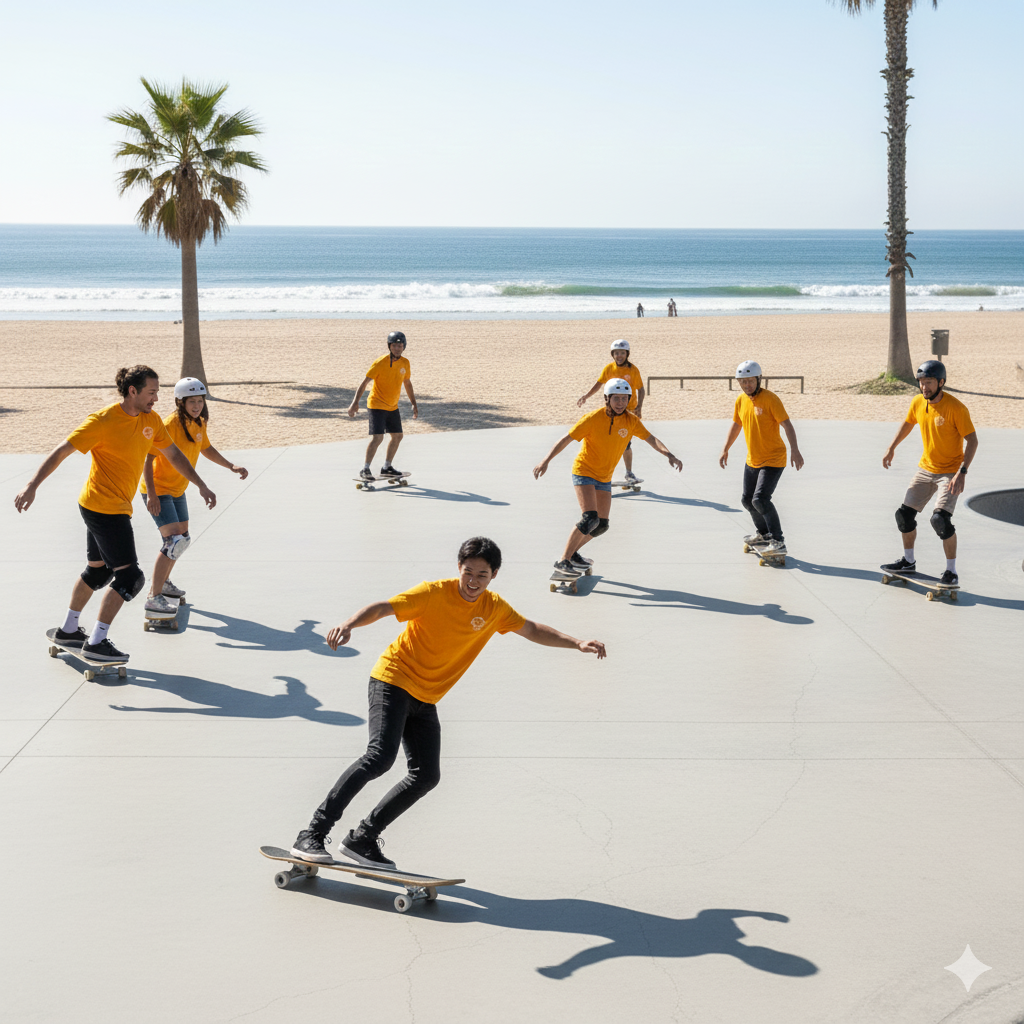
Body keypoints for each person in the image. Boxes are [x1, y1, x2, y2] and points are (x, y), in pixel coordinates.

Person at [290, 536, 606, 867]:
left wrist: (577, 642)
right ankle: (311, 833)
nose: (472, 582)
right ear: (459, 568)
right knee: (379, 758)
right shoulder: (433, 592)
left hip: (425, 697)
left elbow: (531, 629)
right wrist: (349, 623)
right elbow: (386, 606)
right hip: (393, 679)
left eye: (481, 575)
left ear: (494, 575)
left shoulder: (494, 608)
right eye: (467, 572)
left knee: (426, 775)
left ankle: (363, 838)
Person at [13, 366, 216, 663]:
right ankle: (96, 642)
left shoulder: (151, 420)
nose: (157, 398)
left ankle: (69, 629)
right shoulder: (103, 421)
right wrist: (32, 486)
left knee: (99, 570)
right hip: (104, 509)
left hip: (103, 505)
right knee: (130, 578)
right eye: (151, 392)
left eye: (158, 392)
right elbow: (62, 451)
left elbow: (173, 455)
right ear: (132, 391)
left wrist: (201, 485)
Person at [534, 379, 682, 578]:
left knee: (601, 525)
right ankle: (564, 560)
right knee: (589, 518)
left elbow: (651, 438)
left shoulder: (631, 421)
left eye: (624, 399)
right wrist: (546, 460)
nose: (620, 403)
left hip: (604, 477)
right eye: (616, 398)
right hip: (584, 471)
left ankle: (574, 553)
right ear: (607, 398)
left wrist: (669, 454)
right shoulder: (593, 418)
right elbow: (566, 438)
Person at [139, 378, 248, 617]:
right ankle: (153, 598)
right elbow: (147, 458)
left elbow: (205, 448)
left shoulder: (198, 423)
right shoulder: (169, 425)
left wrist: (231, 466)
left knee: (182, 540)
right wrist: (152, 495)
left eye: (200, 401)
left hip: (177, 489)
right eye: (192, 402)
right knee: (173, 542)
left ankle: (163, 583)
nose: (197, 405)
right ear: (180, 402)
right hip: (157, 489)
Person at [881, 359, 978, 586]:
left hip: (950, 472)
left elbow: (972, 441)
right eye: (922, 383)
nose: (925, 387)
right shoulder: (918, 402)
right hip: (926, 468)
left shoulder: (956, 408)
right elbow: (908, 423)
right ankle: (908, 561)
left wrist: (962, 472)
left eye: (930, 382)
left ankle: (951, 572)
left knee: (940, 520)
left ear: (941, 382)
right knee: (904, 516)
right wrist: (891, 448)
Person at [718, 360, 804, 558]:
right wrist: (725, 448)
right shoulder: (741, 400)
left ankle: (778, 541)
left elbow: (787, 425)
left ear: (758, 379)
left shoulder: (771, 399)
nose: (747, 385)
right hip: (752, 459)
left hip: (773, 459)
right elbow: (736, 425)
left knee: (761, 499)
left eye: (750, 381)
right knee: (747, 500)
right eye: (743, 382)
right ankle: (764, 535)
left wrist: (795, 450)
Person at [348, 331, 418, 481]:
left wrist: (414, 403)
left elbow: (407, 383)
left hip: (392, 406)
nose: (397, 348)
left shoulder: (405, 363)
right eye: (394, 345)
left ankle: (387, 467)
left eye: (400, 345)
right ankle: (365, 469)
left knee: (398, 436)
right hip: (376, 405)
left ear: (404, 346)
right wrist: (355, 403)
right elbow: (365, 382)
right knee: (378, 438)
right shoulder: (380, 362)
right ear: (389, 346)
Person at [577, 339, 646, 485]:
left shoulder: (633, 370)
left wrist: (639, 407)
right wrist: (586, 396)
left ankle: (628, 472)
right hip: (611, 411)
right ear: (612, 355)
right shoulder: (609, 369)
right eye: (616, 353)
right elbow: (598, 384)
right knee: (607, 441)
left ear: (627, 354)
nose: (619, 356)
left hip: (629, 411)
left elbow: (641, 389)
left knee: (625, 443)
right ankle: (603, 472)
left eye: (622, 353)